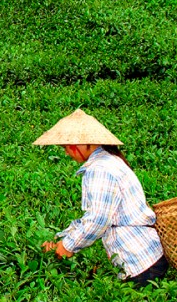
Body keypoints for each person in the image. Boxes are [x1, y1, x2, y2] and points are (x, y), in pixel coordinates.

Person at [33, 108, 169, 287]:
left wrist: (68, 247)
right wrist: (63, 239)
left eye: (67, 147)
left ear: (84, 144)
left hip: (140, 265)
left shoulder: (99, 170)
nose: (66, 152)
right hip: (149, 257)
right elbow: (93, 217)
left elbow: (98, 220)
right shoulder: (110, 161)